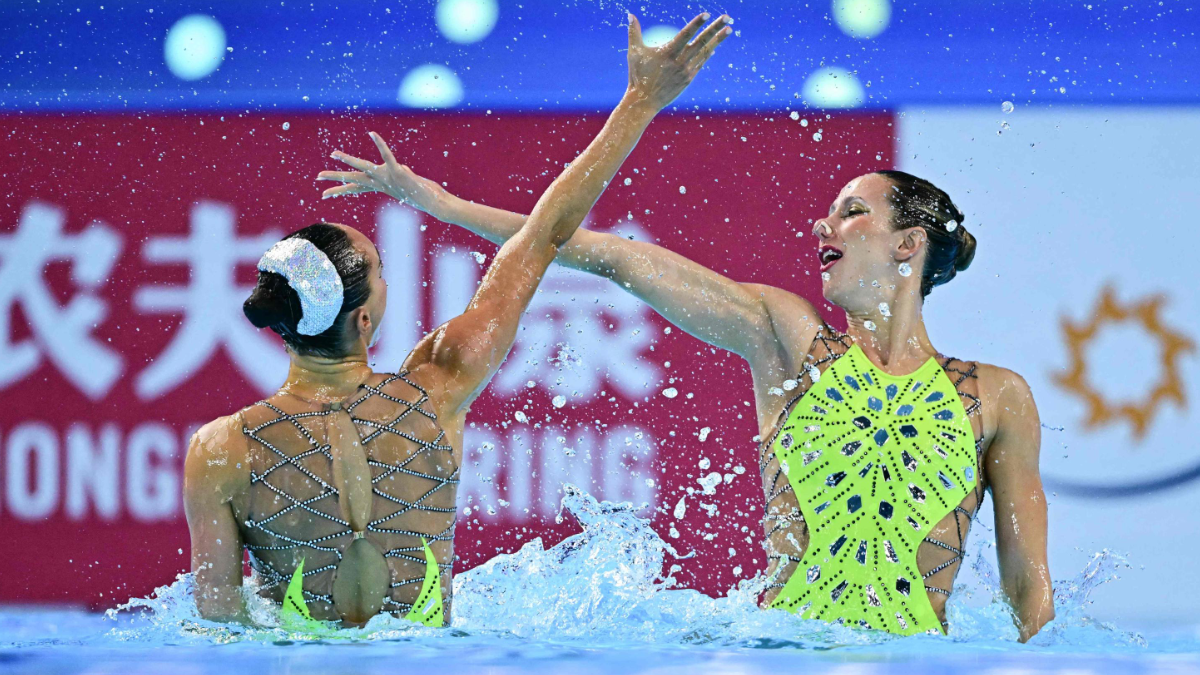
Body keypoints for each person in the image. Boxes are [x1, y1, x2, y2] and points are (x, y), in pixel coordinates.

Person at [318, 145, 1055, 636]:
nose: (823, 223)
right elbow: (611, 259)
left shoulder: (998, 397)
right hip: (784, 651)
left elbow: (1029, 590)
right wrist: (444, 205)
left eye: (853, 210)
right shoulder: (788, 340)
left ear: (908, 243)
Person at [184, 12, 733, 628]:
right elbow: (543, 236)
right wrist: (639, 102)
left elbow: (219, 623)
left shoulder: (221, 449)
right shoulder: (435, 391)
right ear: (365, 320)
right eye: (381, 267)